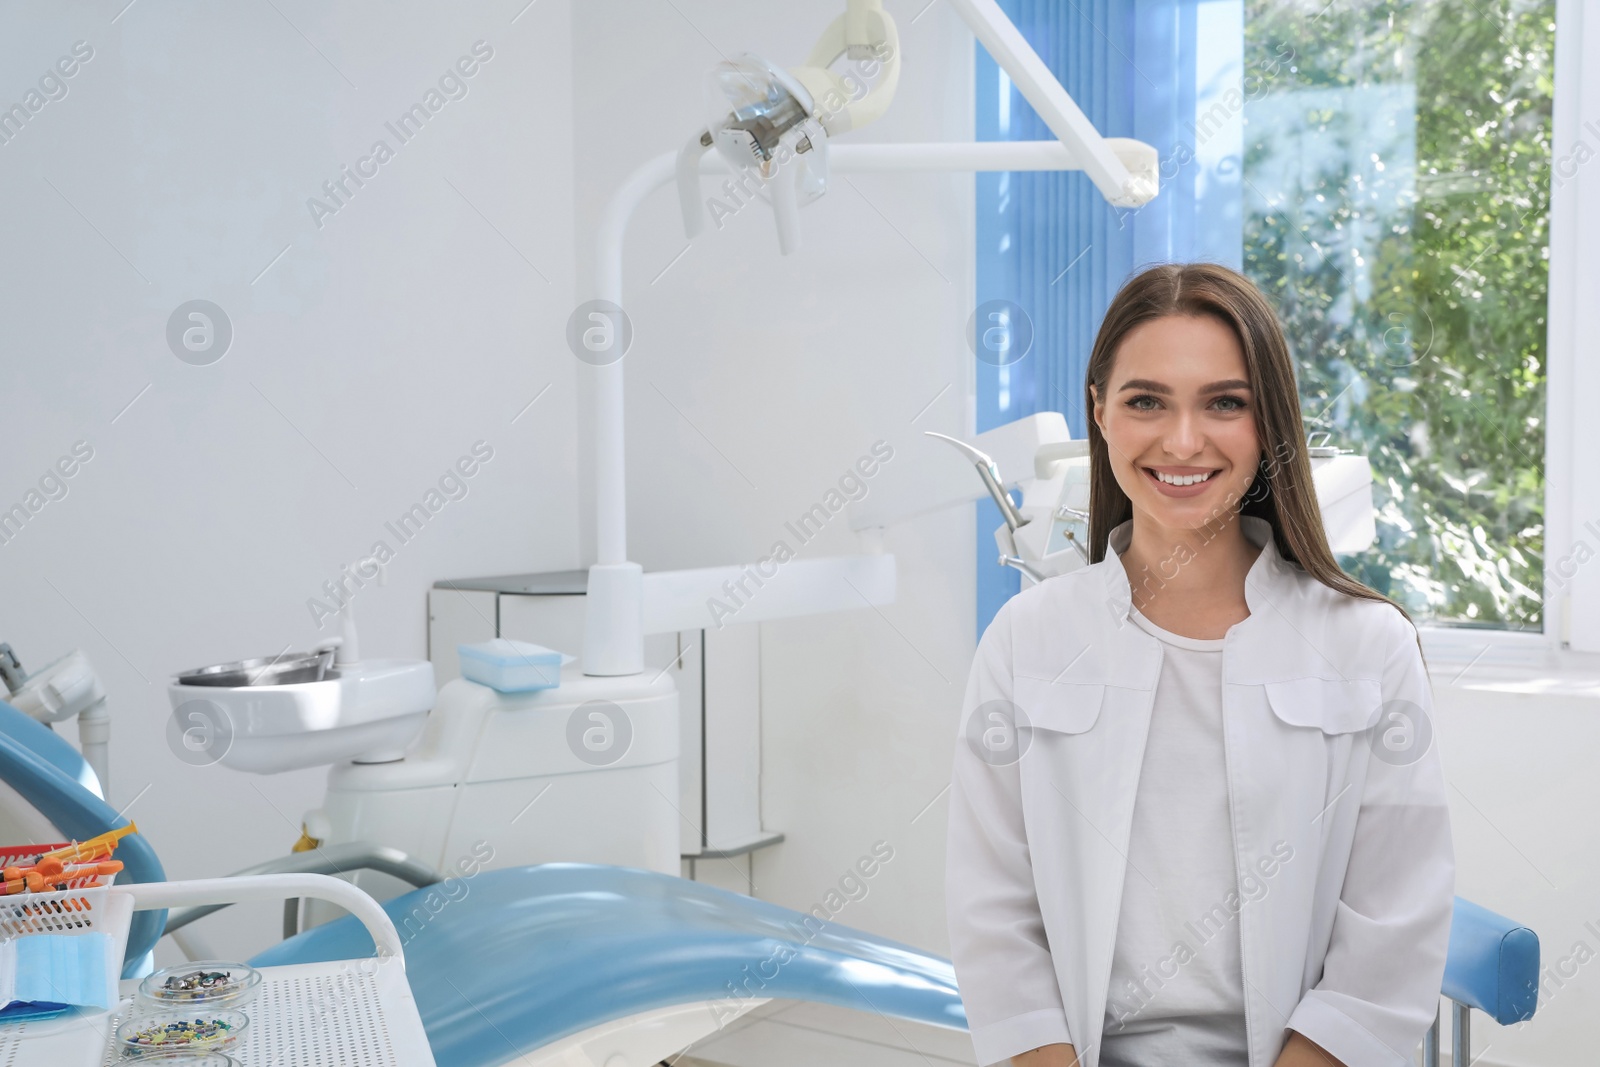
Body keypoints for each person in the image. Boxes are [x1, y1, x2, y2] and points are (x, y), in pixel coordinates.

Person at [944, 263, 1454, 1067]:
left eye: (1225, 402)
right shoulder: (1025, 640)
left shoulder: (1368, 644)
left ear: (1269, 426)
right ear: (1102, 413)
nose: (1183, 441)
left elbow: (1391, 937)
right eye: (1147, 400)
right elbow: (993, 917)